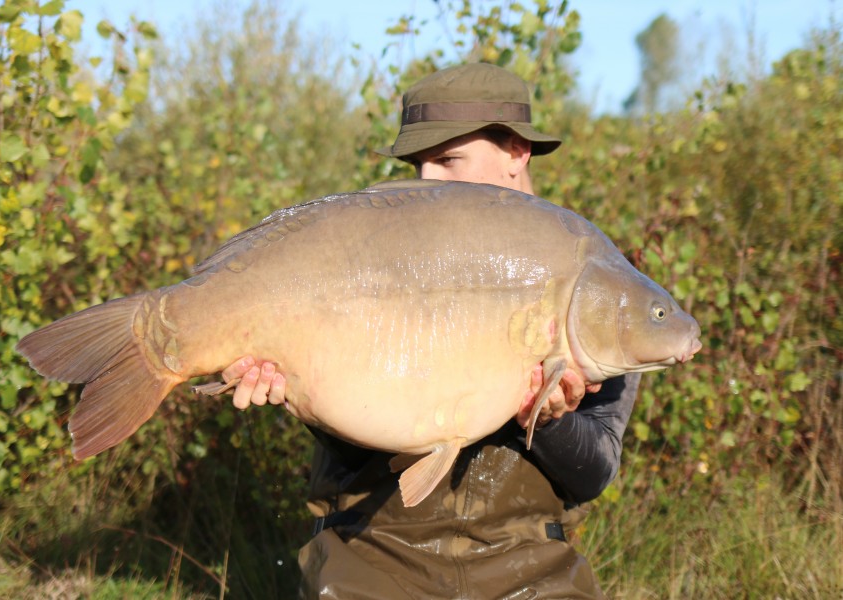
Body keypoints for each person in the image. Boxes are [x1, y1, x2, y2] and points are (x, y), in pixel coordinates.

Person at [223, 63, 640, 599]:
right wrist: (302, 398)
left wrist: (549, 419)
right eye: (419, 164)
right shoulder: (376, 250)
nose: (427, 181)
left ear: (516, 152)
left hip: (528, 568)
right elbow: (350, 464)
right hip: (370, 555)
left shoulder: (592, 281)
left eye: (447, 159)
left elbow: (592, 476)